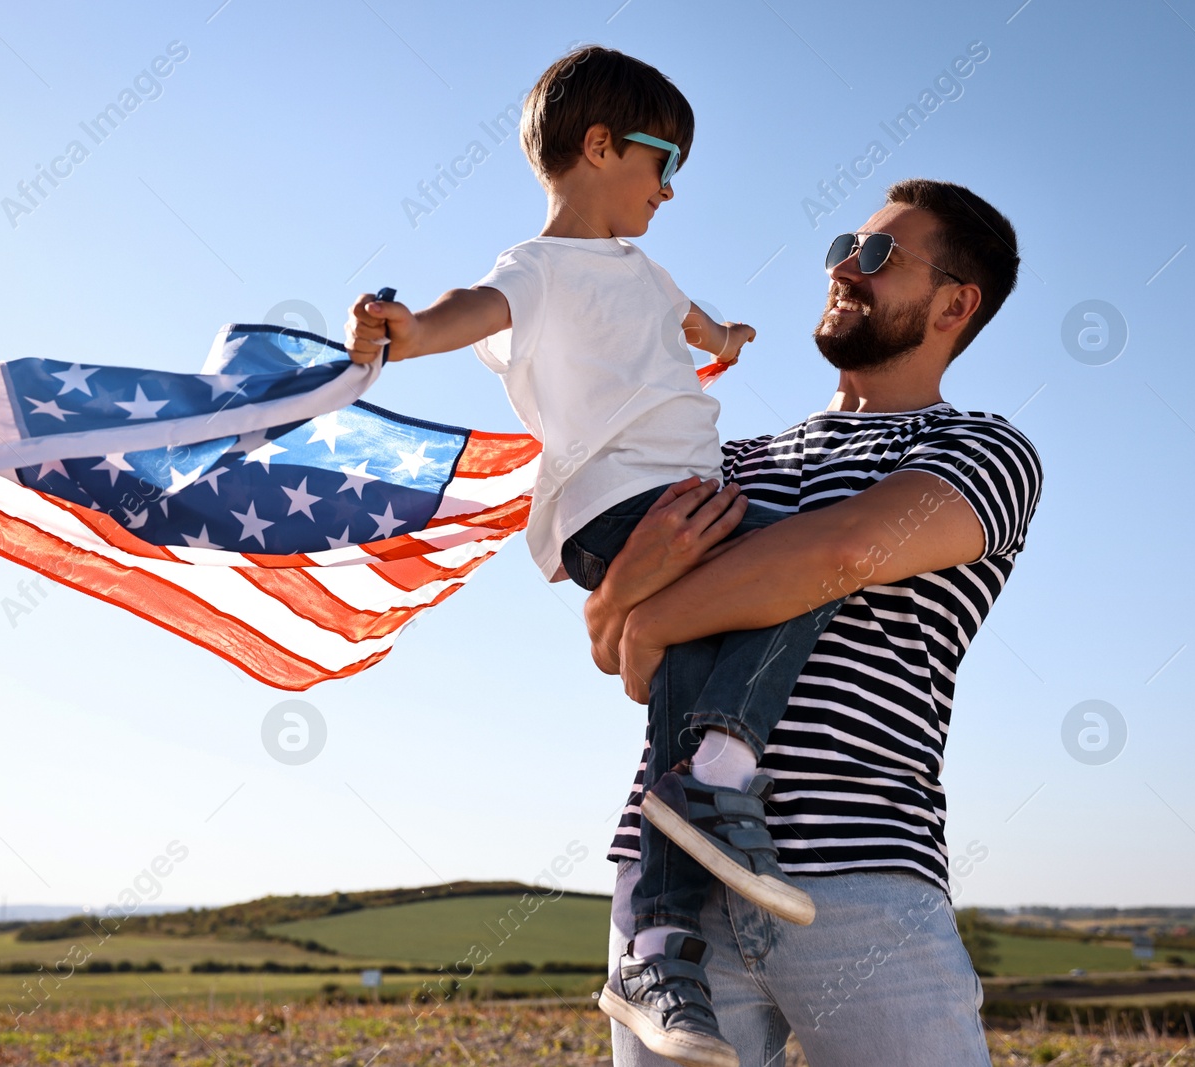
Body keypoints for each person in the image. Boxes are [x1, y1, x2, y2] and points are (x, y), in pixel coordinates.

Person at [345, 46, 845, 1067]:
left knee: (772, 594)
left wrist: (729, 332)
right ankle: (715, 771)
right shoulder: (538, 268)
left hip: (682, 496)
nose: (669, 190)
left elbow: (693, 319)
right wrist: (402, 332)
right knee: (795, 568)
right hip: (621, 500)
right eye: (662, 164)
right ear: (600, 146)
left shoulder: (647, 271)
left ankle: (660, 944)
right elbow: (466, 313)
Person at [586, 179, 1043, 1066]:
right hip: (669, 892)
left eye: (878, 256)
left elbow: (845, 551)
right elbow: (618, 653)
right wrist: (621, 602)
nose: (844, 267)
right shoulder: (726, 460)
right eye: (842, 246)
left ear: (955, 303)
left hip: (860, 873)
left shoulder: (980, 449)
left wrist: (657, 613)